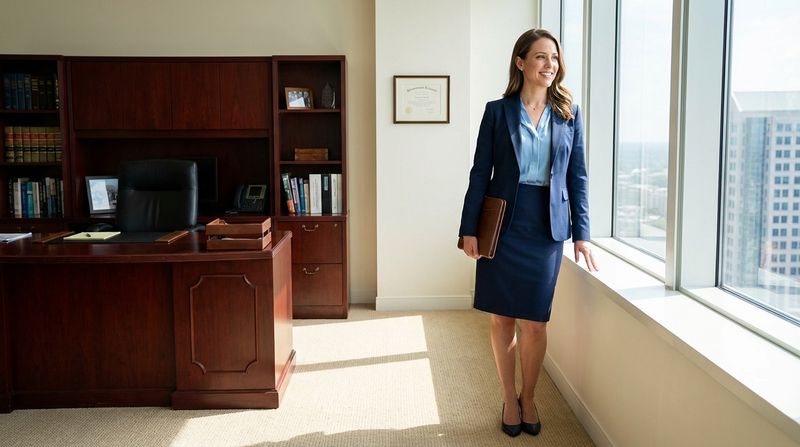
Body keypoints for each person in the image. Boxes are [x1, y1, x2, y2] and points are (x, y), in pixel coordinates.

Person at [458, 28, 598, 438]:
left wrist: (583, 234)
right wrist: (469, 230)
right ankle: (508, 397)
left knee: (536, 322)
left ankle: (530, 395)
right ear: (521, 62)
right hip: (503, 224)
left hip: (546, 227)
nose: (549, 65)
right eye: (540, 57)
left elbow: (579, 177)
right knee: (502, 317)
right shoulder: (497, 112)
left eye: (553, 58)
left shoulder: (569, 113)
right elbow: (480, 173)